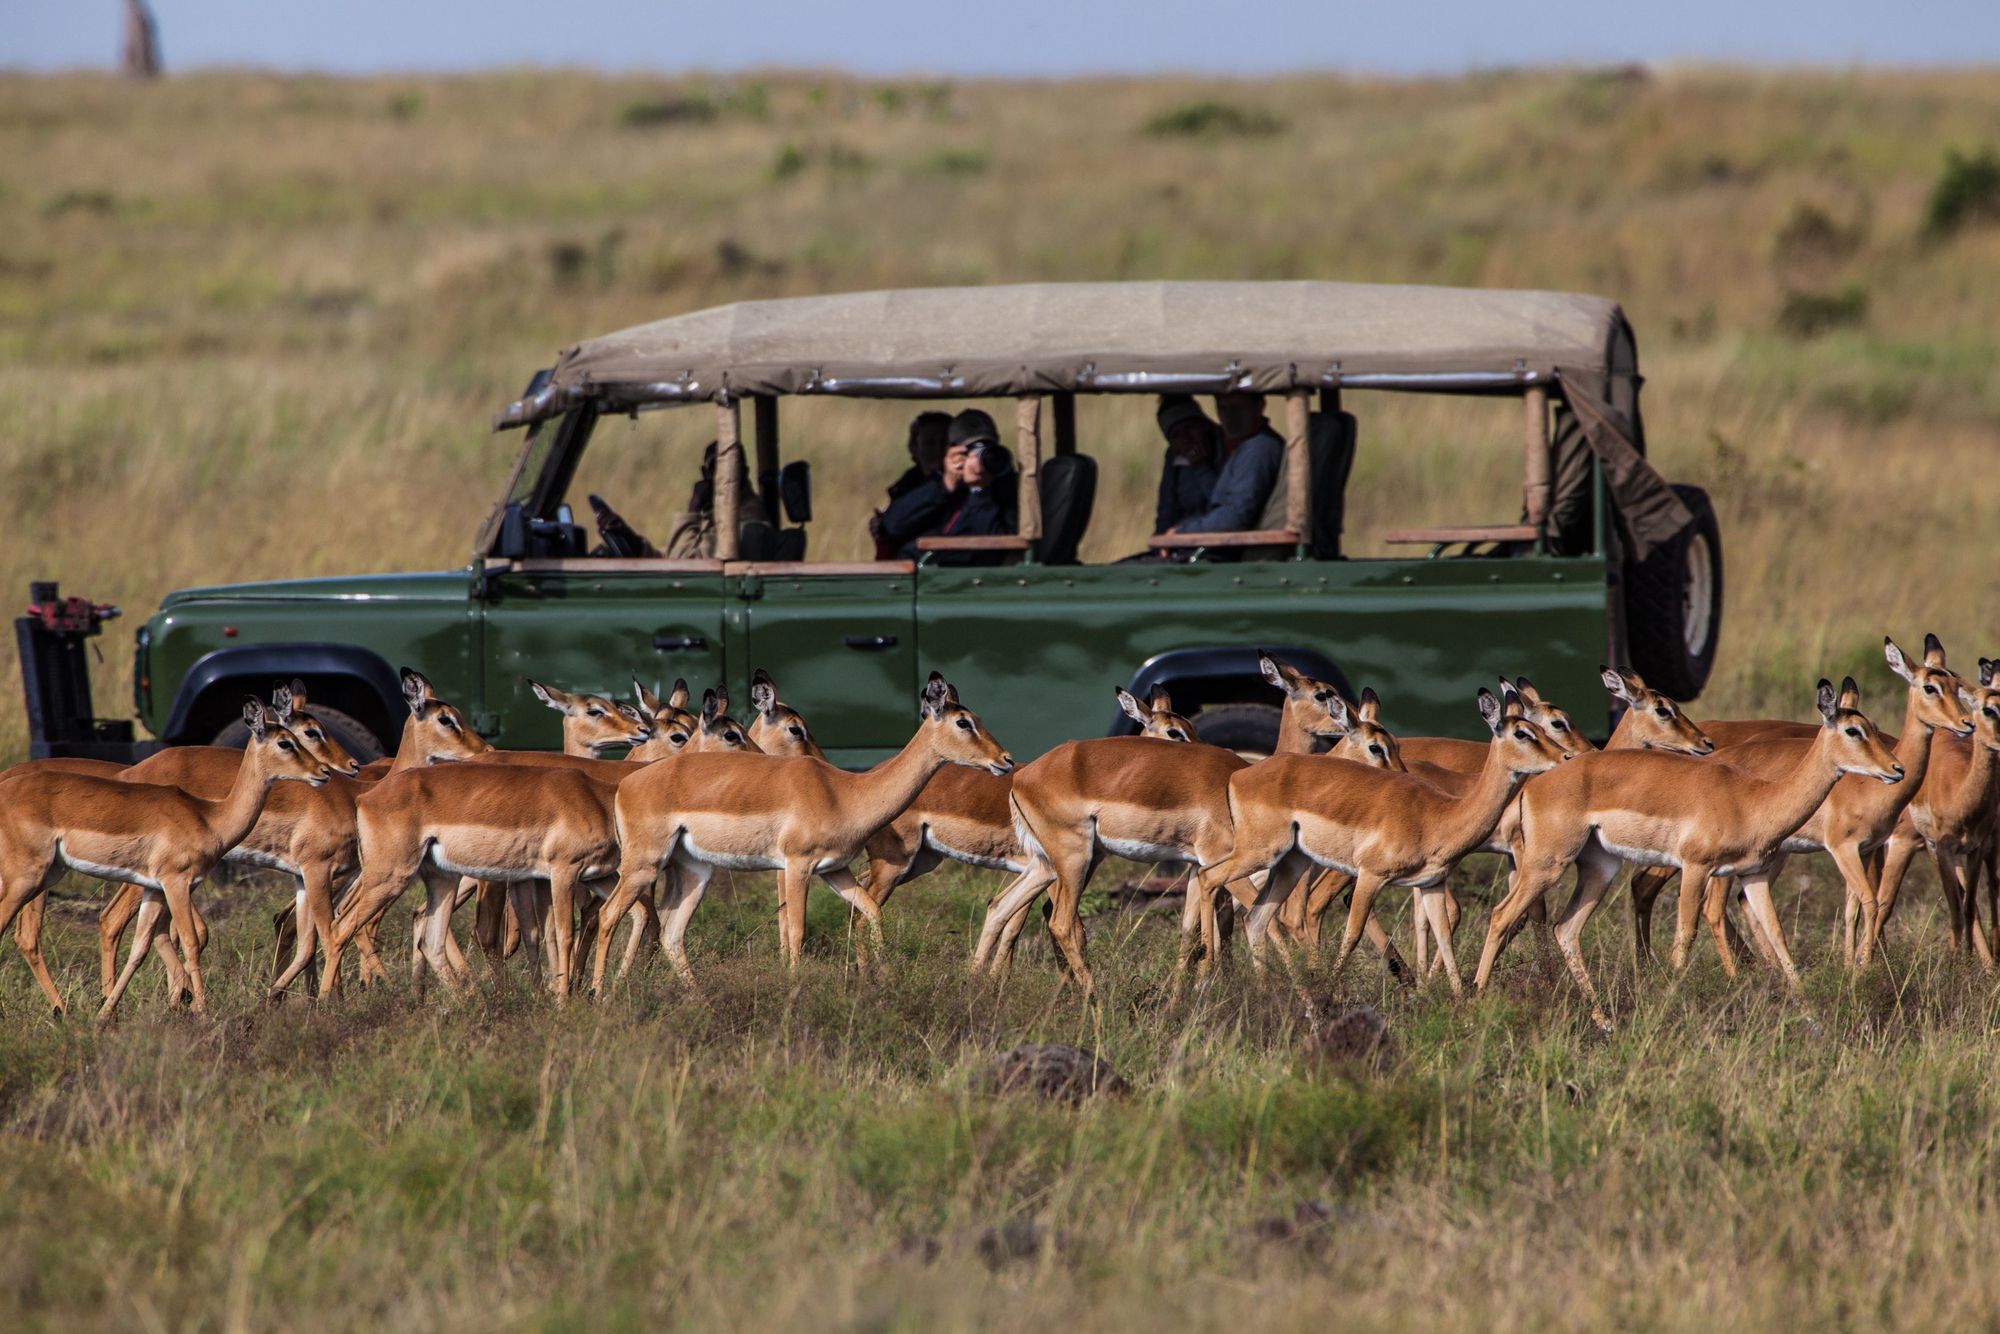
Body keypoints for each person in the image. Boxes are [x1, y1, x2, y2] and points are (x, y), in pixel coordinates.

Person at [1164, 392, 1284, 536]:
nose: (1230, 417)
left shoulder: (1259, 448)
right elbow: (1165, 511)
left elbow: (1235, 516)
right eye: (1222, 408)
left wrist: (1181, 532)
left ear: (1260, 407)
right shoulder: (1242, 446)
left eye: (1237, 408)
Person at [663, 441, 775, 559]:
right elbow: (671, 554)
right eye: (716, 468)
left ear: (745, 473)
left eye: (733, 468)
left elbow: (683, 561)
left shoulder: (748, 517)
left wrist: (693, 507)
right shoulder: (712, 511)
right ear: (705, 473)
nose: (724, 476)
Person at [871, 411, 953, 558]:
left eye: (945, 443)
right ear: (914, 448)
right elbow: (894, 525)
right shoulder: (905, 488)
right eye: (930, 443)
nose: (939, 450)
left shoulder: (970, 484)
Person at [926, 436, 1018, 566]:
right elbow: (893, 525)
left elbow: (999, 545)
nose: (978, 459)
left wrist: (980, 489)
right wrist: (946, 485)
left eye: (986, 449)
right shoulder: (927, 483)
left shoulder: (1008, 490)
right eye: (966, 452)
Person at [1152, 395, 1221, 535]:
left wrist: (1201, 467)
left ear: (1204, 426)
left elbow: (1224, 507)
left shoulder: (1224, 447)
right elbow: (1166, 509)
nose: (1186, 438)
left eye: (1190, 428)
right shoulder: (1174, 458)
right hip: (1180, 539)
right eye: (1177, 434)